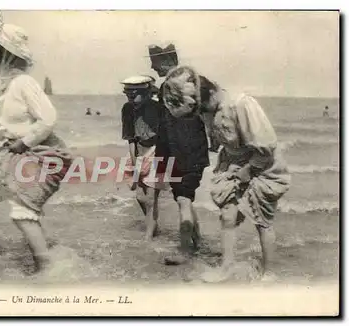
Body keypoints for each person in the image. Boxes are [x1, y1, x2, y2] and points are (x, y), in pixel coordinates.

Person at [173, 68, 291, 282]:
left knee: (262, 221)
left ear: (207, 95)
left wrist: (248, 170)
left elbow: (266, 146)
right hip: (233, 162)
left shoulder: (241, 104)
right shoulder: (207, 110)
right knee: (227, 215)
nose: (199, 114)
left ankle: (269, 272)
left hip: (262, 164)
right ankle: (227, 266)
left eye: (198, 109)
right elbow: (218, 139)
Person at [0, 24, 73, 273]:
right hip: (23, 152)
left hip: (40, 152)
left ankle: (45, 265)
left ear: (6, 57)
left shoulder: (24, 82)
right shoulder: (13, 85)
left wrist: (23, 143)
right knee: (22, 208)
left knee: (21, 211)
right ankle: (45, 258)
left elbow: (48, 118)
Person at [147, 44, 211, 261]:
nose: (152, 68)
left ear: (165, 62)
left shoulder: (168, 89)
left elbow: (166, 130)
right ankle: (196, 242)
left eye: (154, 63)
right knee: (187, 199)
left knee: (183, 199)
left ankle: (184, 250)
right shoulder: (196, 81)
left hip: (179, 154)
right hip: (197, 152)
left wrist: (161, 162)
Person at [120, 75, 166, 241]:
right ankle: (153, 226)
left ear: (147, 94)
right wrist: (134, 164)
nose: (131, 98)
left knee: (151, 198)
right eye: (128, 95)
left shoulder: (159, 108)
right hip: (138, 150)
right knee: (140, 196)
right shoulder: (127, 109)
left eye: (135, 95)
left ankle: (148, 237)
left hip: (157, 150)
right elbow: (131, 138)